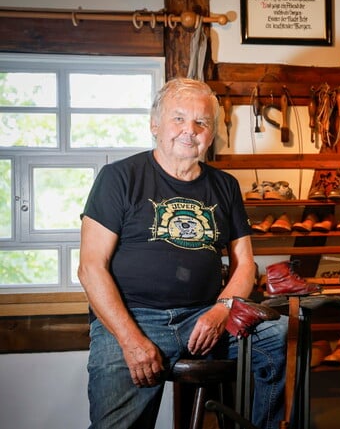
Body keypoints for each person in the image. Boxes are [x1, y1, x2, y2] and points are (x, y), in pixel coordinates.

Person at [78, 77, 287, 429]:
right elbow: (90, 268)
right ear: (155, 124)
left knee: (275, 335)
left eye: (201, 122)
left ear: (211, 132)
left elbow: (244, 264)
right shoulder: (119, 177)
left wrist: (222, 310)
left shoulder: (225, 186)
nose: (189, 131)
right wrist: (131, 340)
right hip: (133, 320)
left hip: (202, 319)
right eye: (178, 119)